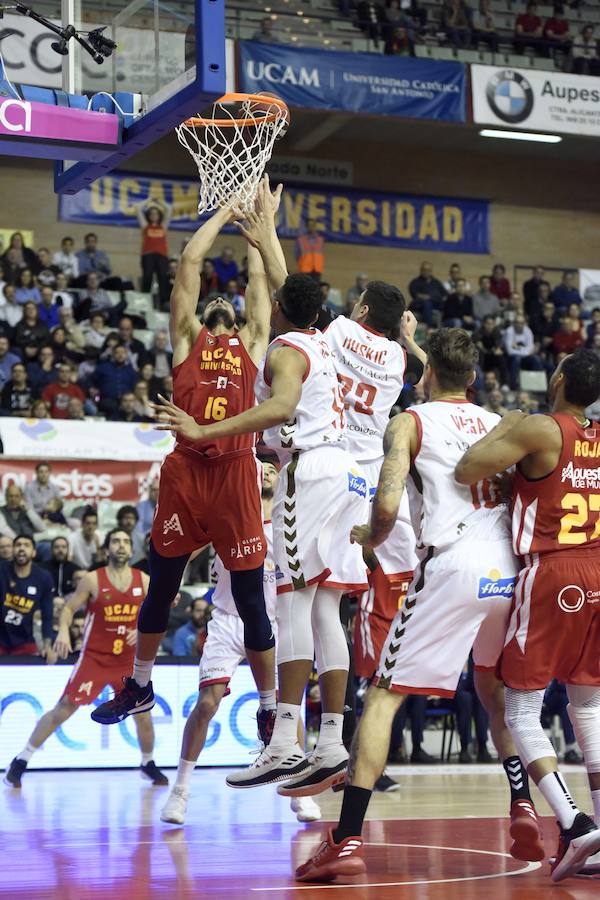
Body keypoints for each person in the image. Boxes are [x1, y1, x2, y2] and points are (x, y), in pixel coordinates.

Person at [296, 328, 544, 882]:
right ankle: (522, 801)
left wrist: (371, 536)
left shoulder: (408, 421)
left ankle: (347, 837)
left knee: (382, 697)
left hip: (455, 561)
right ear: (473, 379)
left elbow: (387, 502)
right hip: (511, 566)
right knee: (491, 688)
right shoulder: (498, 421)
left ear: (423, 376)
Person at [153, 197, 370, 795]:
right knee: (323, 605)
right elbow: (276, 284)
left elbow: (276, 404)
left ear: (275, 312)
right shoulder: (329, 337)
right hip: (347, 471)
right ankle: (328, 740)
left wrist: (201, 429)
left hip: (296, 467)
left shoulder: (274, 348)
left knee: (293, 601)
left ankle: (285, 739)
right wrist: (264, 231)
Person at [91, 180, 278, 734]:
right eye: (213, 301)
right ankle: (141, 685)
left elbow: (261, 277)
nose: (219, 301)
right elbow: (191, 262)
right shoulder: (186, 340)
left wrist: (254, 228)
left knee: (249, 598)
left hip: (236, 471)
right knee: (163, 582)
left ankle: (270, 706)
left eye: (228, 300)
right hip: (188, 472)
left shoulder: (253, 343)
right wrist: (224, 210)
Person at [455, 349, 600, 881]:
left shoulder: (540, 429)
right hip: (599, 570)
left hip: (554, 570)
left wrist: (510, 422)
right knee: (589, 706)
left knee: (519, 708)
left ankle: (573, 822)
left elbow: (467, 466)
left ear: (558, 380)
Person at [161, 461, 321, 824]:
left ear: (281, 478)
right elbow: (187, 549)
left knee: (288, 710)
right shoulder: (229, 512)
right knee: (206, 703)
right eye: (260, 467)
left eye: (271, 468)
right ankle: (180, 791)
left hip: (275, 624)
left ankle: (297, 792)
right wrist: (167, 585)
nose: (265, 472)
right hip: (229, 621)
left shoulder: (290, 519)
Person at [3, 529, 168, 789]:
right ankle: (21, 759)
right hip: (95, 657)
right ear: (107, 549)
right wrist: (63, 631)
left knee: (143, 713)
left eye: (126, 541)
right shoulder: (93, 579)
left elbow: (162, 609)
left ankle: (148, 763)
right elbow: (68, 608)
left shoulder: (143, 580)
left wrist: (143, 628)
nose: (122, 546)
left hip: (129, 661)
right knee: (65, 708)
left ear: (131, 549)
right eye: (116, 541)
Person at [0, 535, 53, 657]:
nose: (21, 548)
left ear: (34, 553)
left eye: (26, 545)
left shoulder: (43, 577)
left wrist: (47, 646)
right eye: (18, 545)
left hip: (25, 641)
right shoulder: (1, 570)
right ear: (13, 550)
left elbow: (47, 615)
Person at [136, 198, 171, 307]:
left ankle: (163, 303)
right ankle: (144, 300)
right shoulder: (145, 226)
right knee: (147, 277)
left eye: (156, 213)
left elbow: (169, 209)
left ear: (159, 215)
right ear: (148, 215)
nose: (154, 215)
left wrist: (158, 201)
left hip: (162, 255)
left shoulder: (163, 226)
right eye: (151, 213)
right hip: (148, 255)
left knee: (163, 278)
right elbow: (138, 208)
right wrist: (149, 200)